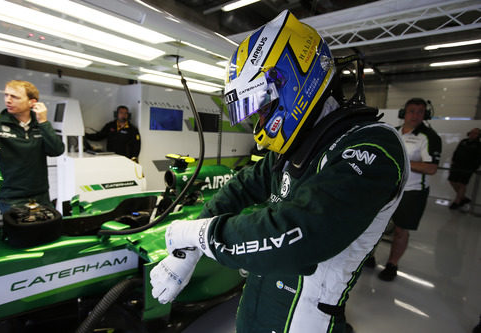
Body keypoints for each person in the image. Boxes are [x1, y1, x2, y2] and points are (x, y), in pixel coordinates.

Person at [149, 10, 409, 333]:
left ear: (294, 80)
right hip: (255, 313)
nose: (259, 123)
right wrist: (189, 252)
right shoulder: (296, 145)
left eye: (261, 107)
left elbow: (299, 233)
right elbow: (240, 188)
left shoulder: (376, 146)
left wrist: (201, 236)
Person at [378, 97, 442, 281]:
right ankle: (370, 257)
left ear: (425, 114)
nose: (415, 115)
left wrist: (400, 162)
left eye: (420, 111)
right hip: (387, 188)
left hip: (413, 191)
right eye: (412, 111)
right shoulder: (394, 132)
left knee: (401, 230)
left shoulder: (429, 137)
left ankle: (392, 264)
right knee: (377, 225)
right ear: (403, 113)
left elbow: (431, 168)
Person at [0, 80, 65, 213]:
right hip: (10, 196)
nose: (8, 100)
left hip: (40, 194)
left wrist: (43, 121)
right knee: (21, 231)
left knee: (47, 229)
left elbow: (56, 150)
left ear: (32, 102)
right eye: (6, 95)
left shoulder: (41, 124)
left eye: (14, 97)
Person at [448, 127, 481, 209]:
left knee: (462, 184)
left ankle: (457, 201)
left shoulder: (479, 145)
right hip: (456, 165)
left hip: (468, 168)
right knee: (452, 181)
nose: (472, 134)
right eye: (472, 132)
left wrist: (474, 167)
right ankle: (463, 198)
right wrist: (453, 161)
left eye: (475, 133)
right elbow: (456, 152)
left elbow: (479, 158)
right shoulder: (464, 141)